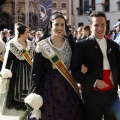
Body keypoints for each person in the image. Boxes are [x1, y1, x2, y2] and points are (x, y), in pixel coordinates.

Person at [28, 12, 86, 120]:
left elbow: (75, 65)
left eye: (62, 25)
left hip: (68, 87)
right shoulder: (42, 45)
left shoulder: (71, 44)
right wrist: (33, 93)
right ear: (50, 25)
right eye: (56, 24)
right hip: (48, 90)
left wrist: (82, 67)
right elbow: (36, 72)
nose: (59, 27)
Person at [71, 11, 120, 120]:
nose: (100, 28)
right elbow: (75, 72)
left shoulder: (114, 46)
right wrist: (95, 82)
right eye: (96, 25)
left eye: (103, 25)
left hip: (112, 95)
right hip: (92, 96)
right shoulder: (81, 45)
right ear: (90, 26)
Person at [0, 23, 35, 118]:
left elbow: (33, 58)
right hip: (17, 73)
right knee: (17, 95)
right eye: (27, 32)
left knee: (29, 93)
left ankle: (28, 114)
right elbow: (8, 61)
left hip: (29, 71)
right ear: (21, 33)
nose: (29, 33)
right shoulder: (12, 44)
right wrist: (5, 73)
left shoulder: (30, 44)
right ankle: (20, 116)